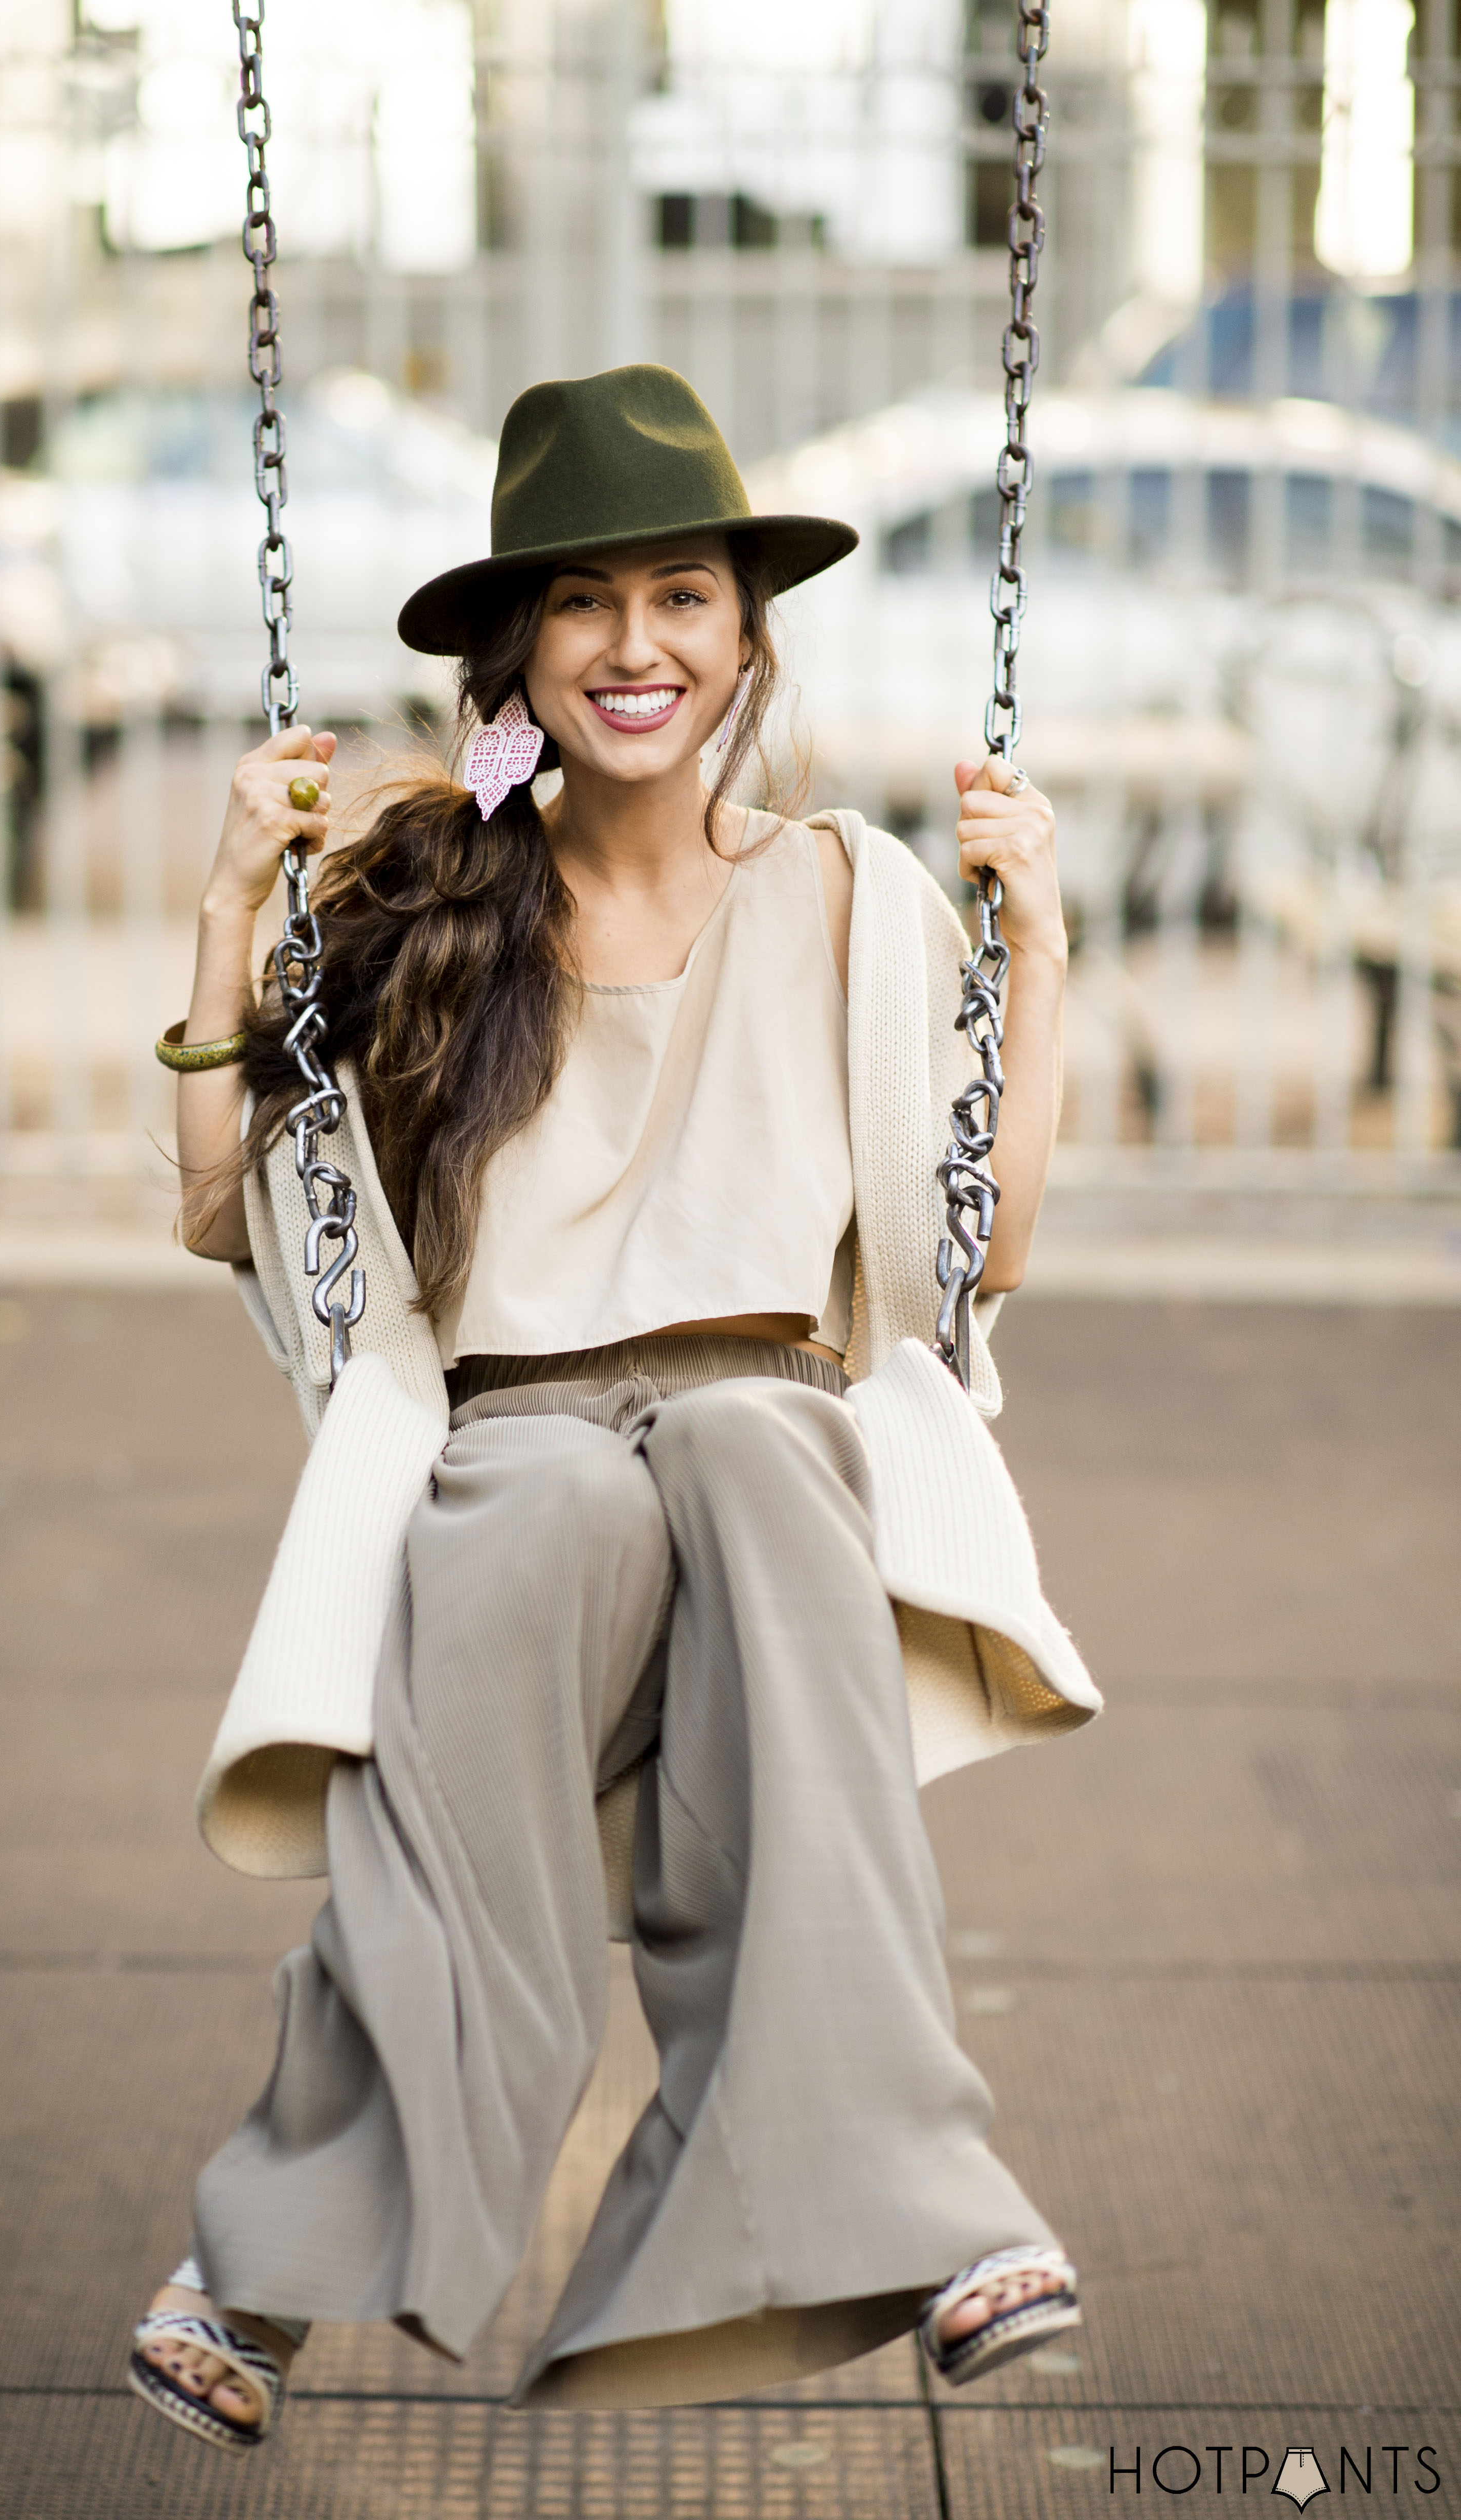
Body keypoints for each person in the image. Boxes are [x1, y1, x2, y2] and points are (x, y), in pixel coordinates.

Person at [127, 365, 1101, 2456]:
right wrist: (229, 914)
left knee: (760, 1450)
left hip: (768, 1395)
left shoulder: (844, 889)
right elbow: (239, 1214)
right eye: (584, 605)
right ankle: (277, 2257)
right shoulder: (429, 894)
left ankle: (916, 2198)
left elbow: (972, 1251)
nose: (637, 648)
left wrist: (1040, 959)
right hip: (517, 1426)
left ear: (746, 636)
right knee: (537, 1515)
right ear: (518, 653)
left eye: (682, 597)